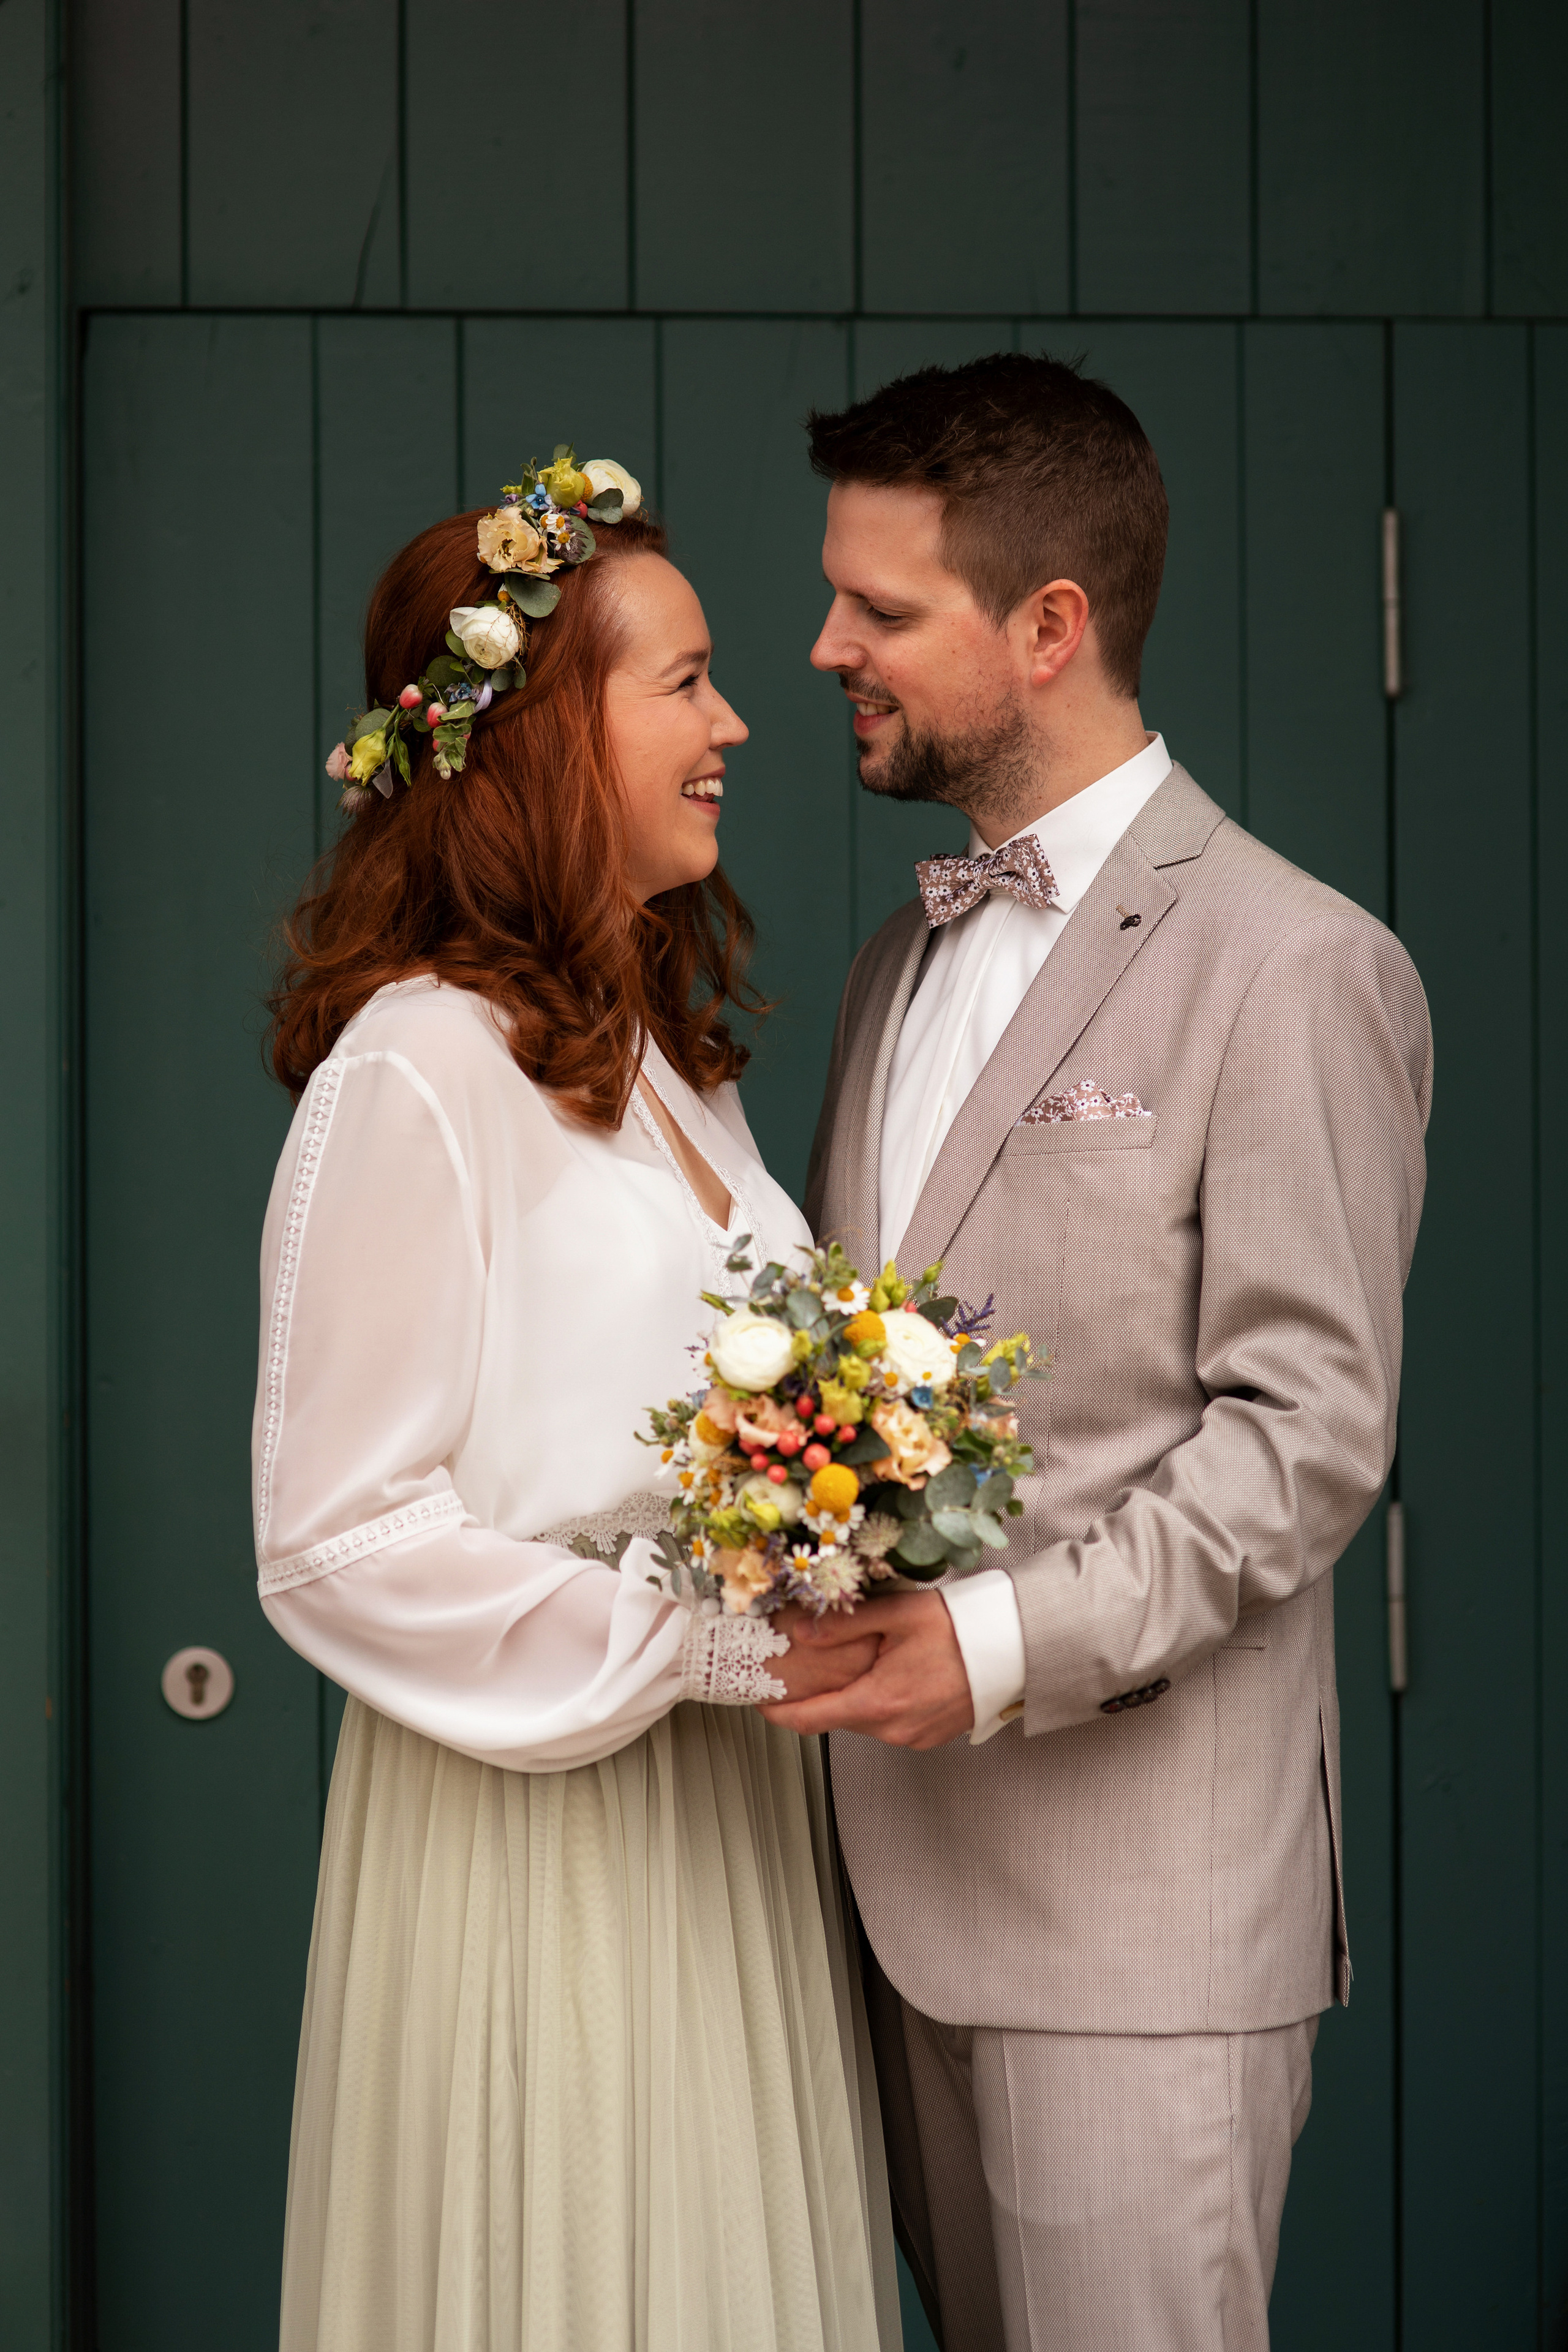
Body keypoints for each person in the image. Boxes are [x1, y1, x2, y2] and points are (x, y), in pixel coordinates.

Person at [764, 353, 1433, 2351]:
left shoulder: (1298, 967)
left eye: (880, 612)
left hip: (1142, 1934)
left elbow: (1308, 1439)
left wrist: (987, 1648)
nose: (827, 648)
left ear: (1048, 627)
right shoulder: (902, 957)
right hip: (878, 1912)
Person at [254, 470, 902, 2350]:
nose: (737, 723)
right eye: (687, 683)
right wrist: (690, 1644)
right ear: (544, 735)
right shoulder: (419, 1068)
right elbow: (334, 1535)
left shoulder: (671, 1068)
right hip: (541, 1838)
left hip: (726, 1830)